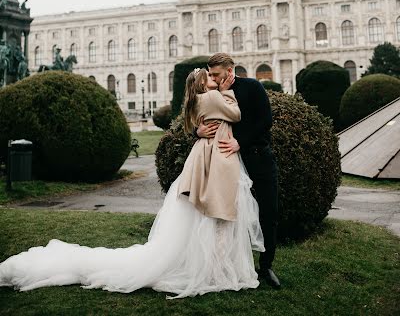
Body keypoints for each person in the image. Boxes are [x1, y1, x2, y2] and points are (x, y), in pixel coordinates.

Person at [0, 68, 264, 298]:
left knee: (200, 220)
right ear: (202, 84)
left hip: (205, 160)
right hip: (208, 162)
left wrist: (198, 128)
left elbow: (202, 120)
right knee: (208, 216)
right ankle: (212, 270)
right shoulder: (211, 97)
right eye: (210, 77)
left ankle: (210, 267)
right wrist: (228, 89)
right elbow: (235, 113)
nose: (215, 78)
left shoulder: (197, 100)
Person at [200, 52, 281, 289]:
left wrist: (240, 141)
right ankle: (233, 265)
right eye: (211, 74)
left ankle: (266, 266)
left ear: (230, 70)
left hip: (257, 157)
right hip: (227, 163)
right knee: (229, 216)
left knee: (269, 211)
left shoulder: (252, 87)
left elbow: (265, 120)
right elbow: (199, 116)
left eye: (216, 74)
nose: (213, 78)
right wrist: (197, 132)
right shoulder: (212, 92)